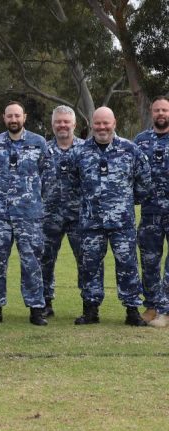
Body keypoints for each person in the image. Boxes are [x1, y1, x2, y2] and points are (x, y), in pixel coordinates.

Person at [70, 107, 152, 326]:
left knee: (127, 265)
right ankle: (90, 310)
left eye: (106, 123)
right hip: (91, 222)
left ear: (114, 122)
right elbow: (72, 183)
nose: (102, 127)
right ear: (92, 124)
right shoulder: (80, 152)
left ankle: (132, 310)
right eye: (98, 123)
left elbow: (144, 182)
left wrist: (125, 202)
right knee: (90, 265)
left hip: (122, 221)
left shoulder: (130, 150)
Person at [0, 101, 54, 325]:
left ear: (25, 117)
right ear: (4, 118)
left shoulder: (38, 142)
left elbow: (48, 176)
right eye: (9, 116)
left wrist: (34, 200)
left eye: (17, 116)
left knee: (31, 262)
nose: (13, 120)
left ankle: (35, 309)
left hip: (29, 215)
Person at [40, 106, 85, 319]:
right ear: (52, 125)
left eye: (66, 122)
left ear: (74, 124)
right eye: (58, 122)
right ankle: (45, 302)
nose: (62, 125)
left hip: (79, 217)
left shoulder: (86, 150)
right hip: (49, 216)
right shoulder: (43, 151)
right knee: (45, 261)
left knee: (86, 260)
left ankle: (89, 304)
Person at [135, 96, 169, 327]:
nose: (161, 114)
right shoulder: (140, 141)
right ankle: (151, 305)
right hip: (149, 212)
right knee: (149, 260)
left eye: (165, 110)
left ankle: (165, 309)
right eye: (157, 110)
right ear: (151, 112)